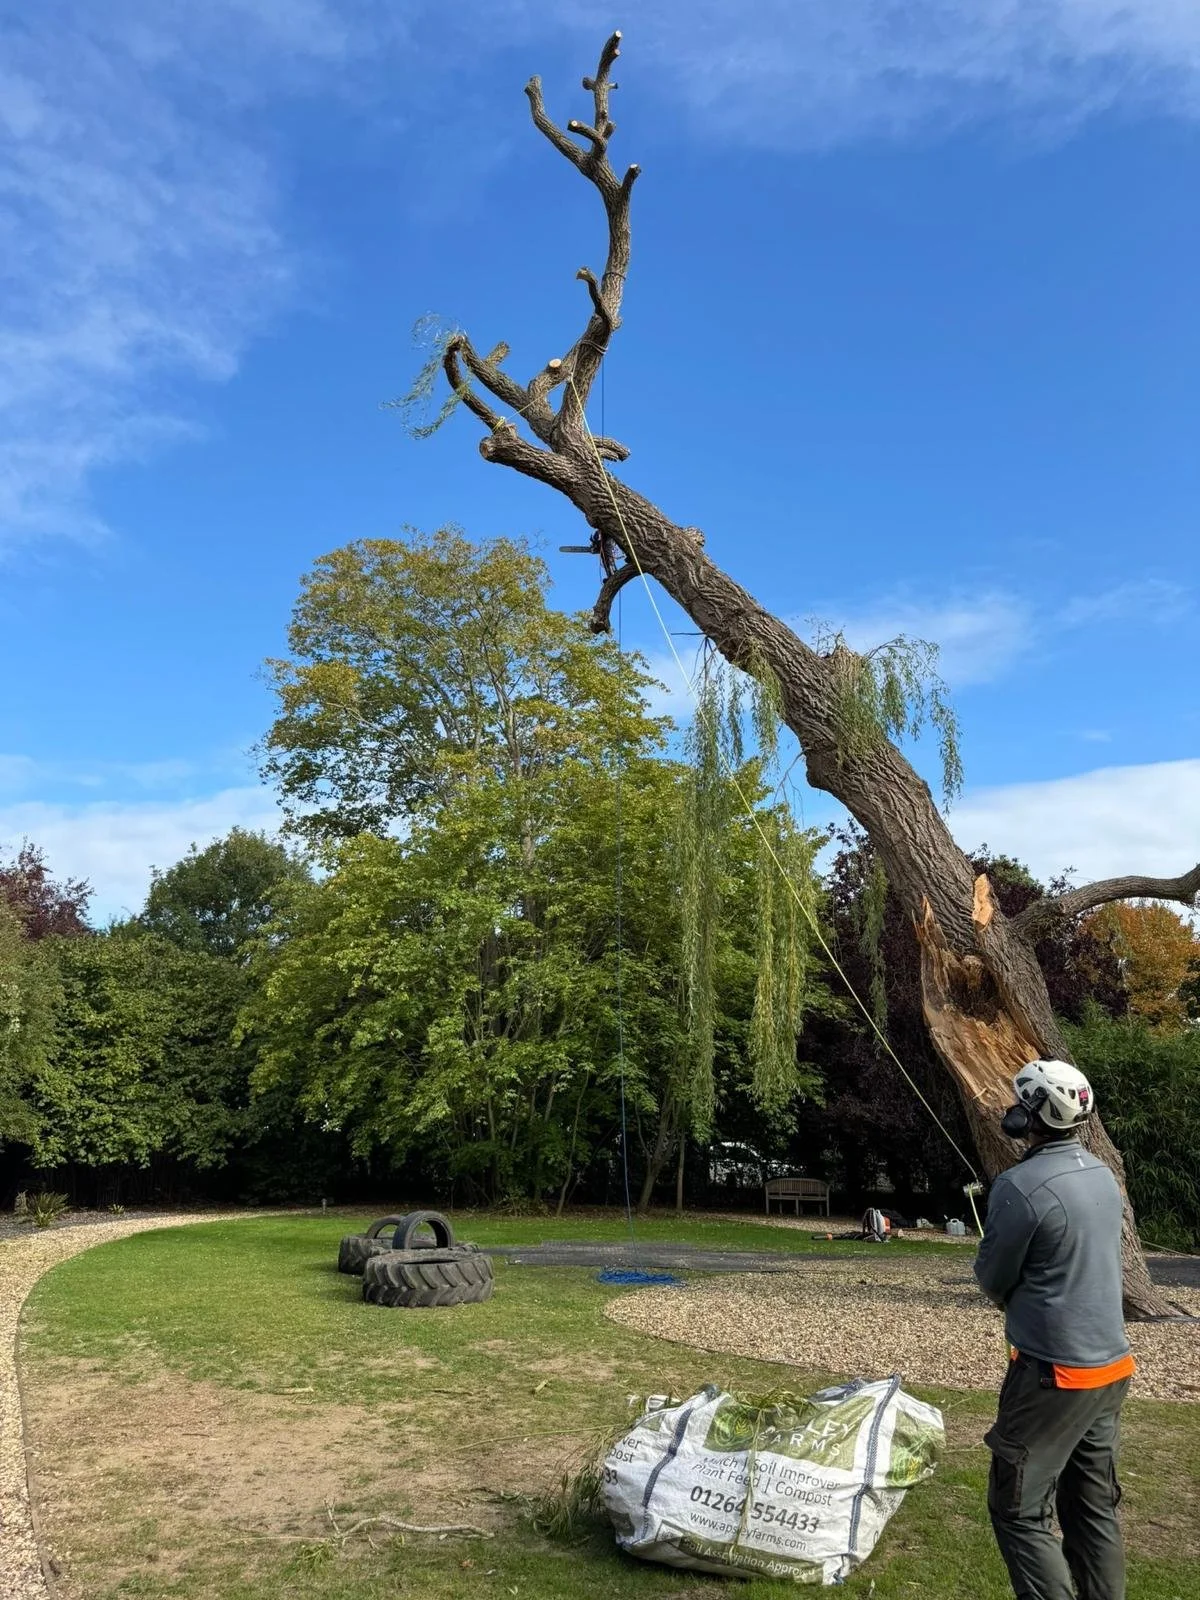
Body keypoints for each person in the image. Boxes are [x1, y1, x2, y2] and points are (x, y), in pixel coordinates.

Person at [974, 1059, 1134, 1600]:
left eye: (1019, 1103)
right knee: (1091, 1508)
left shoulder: (1018, 1186)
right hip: (1112, 1370)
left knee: (1017, 1509)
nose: (1011, 1111)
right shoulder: (1103, 1176)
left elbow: (993, 1279)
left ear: (1032, 1116)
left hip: (1053, 1377)